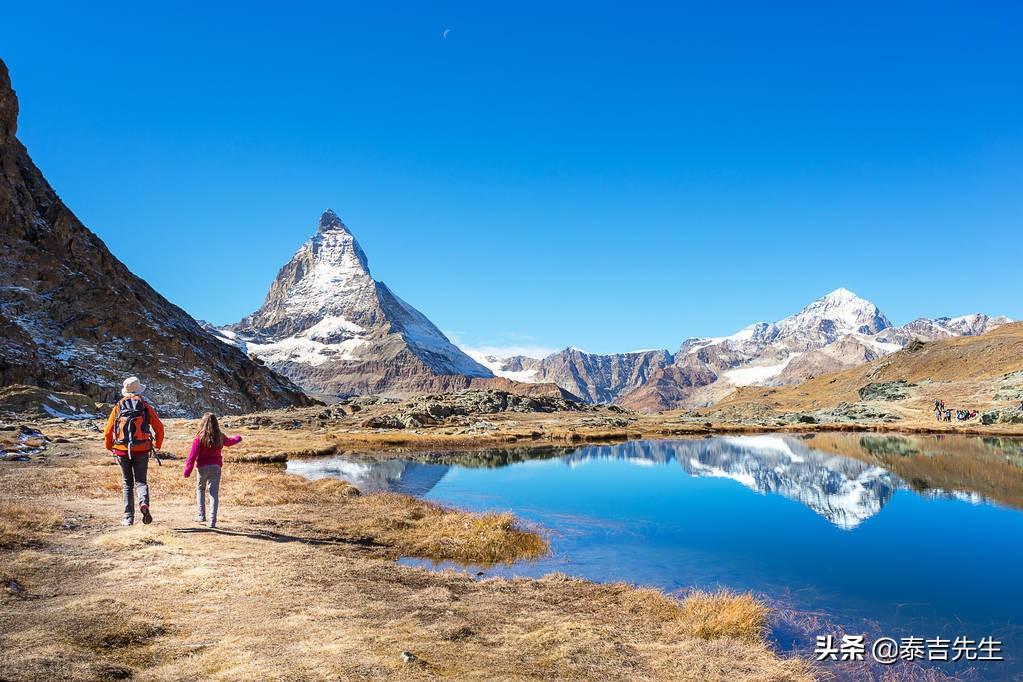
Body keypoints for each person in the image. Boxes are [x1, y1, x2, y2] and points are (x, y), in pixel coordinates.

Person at [104, 377, 164, 526]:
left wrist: (110, 446)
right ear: (139, 390)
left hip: (122, 450)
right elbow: (159, 427)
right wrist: (157, 444)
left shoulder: (118, 406)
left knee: (127, 484)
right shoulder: (144, 406)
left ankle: (128, 517)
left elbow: (108, 430)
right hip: (142, 449)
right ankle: (144, 503)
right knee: (141, 481)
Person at [183, 413, 242, 528]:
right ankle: (212, 521)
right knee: (213, 493)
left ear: (203, 423)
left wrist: (187, 471)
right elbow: (230, 441)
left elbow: (192, 456)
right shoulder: (220, 436)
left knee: (200, 489)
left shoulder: (199, 438)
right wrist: (238, 438)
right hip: (216, 467)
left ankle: (201, 516)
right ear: (216, 423)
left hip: (202, 468)